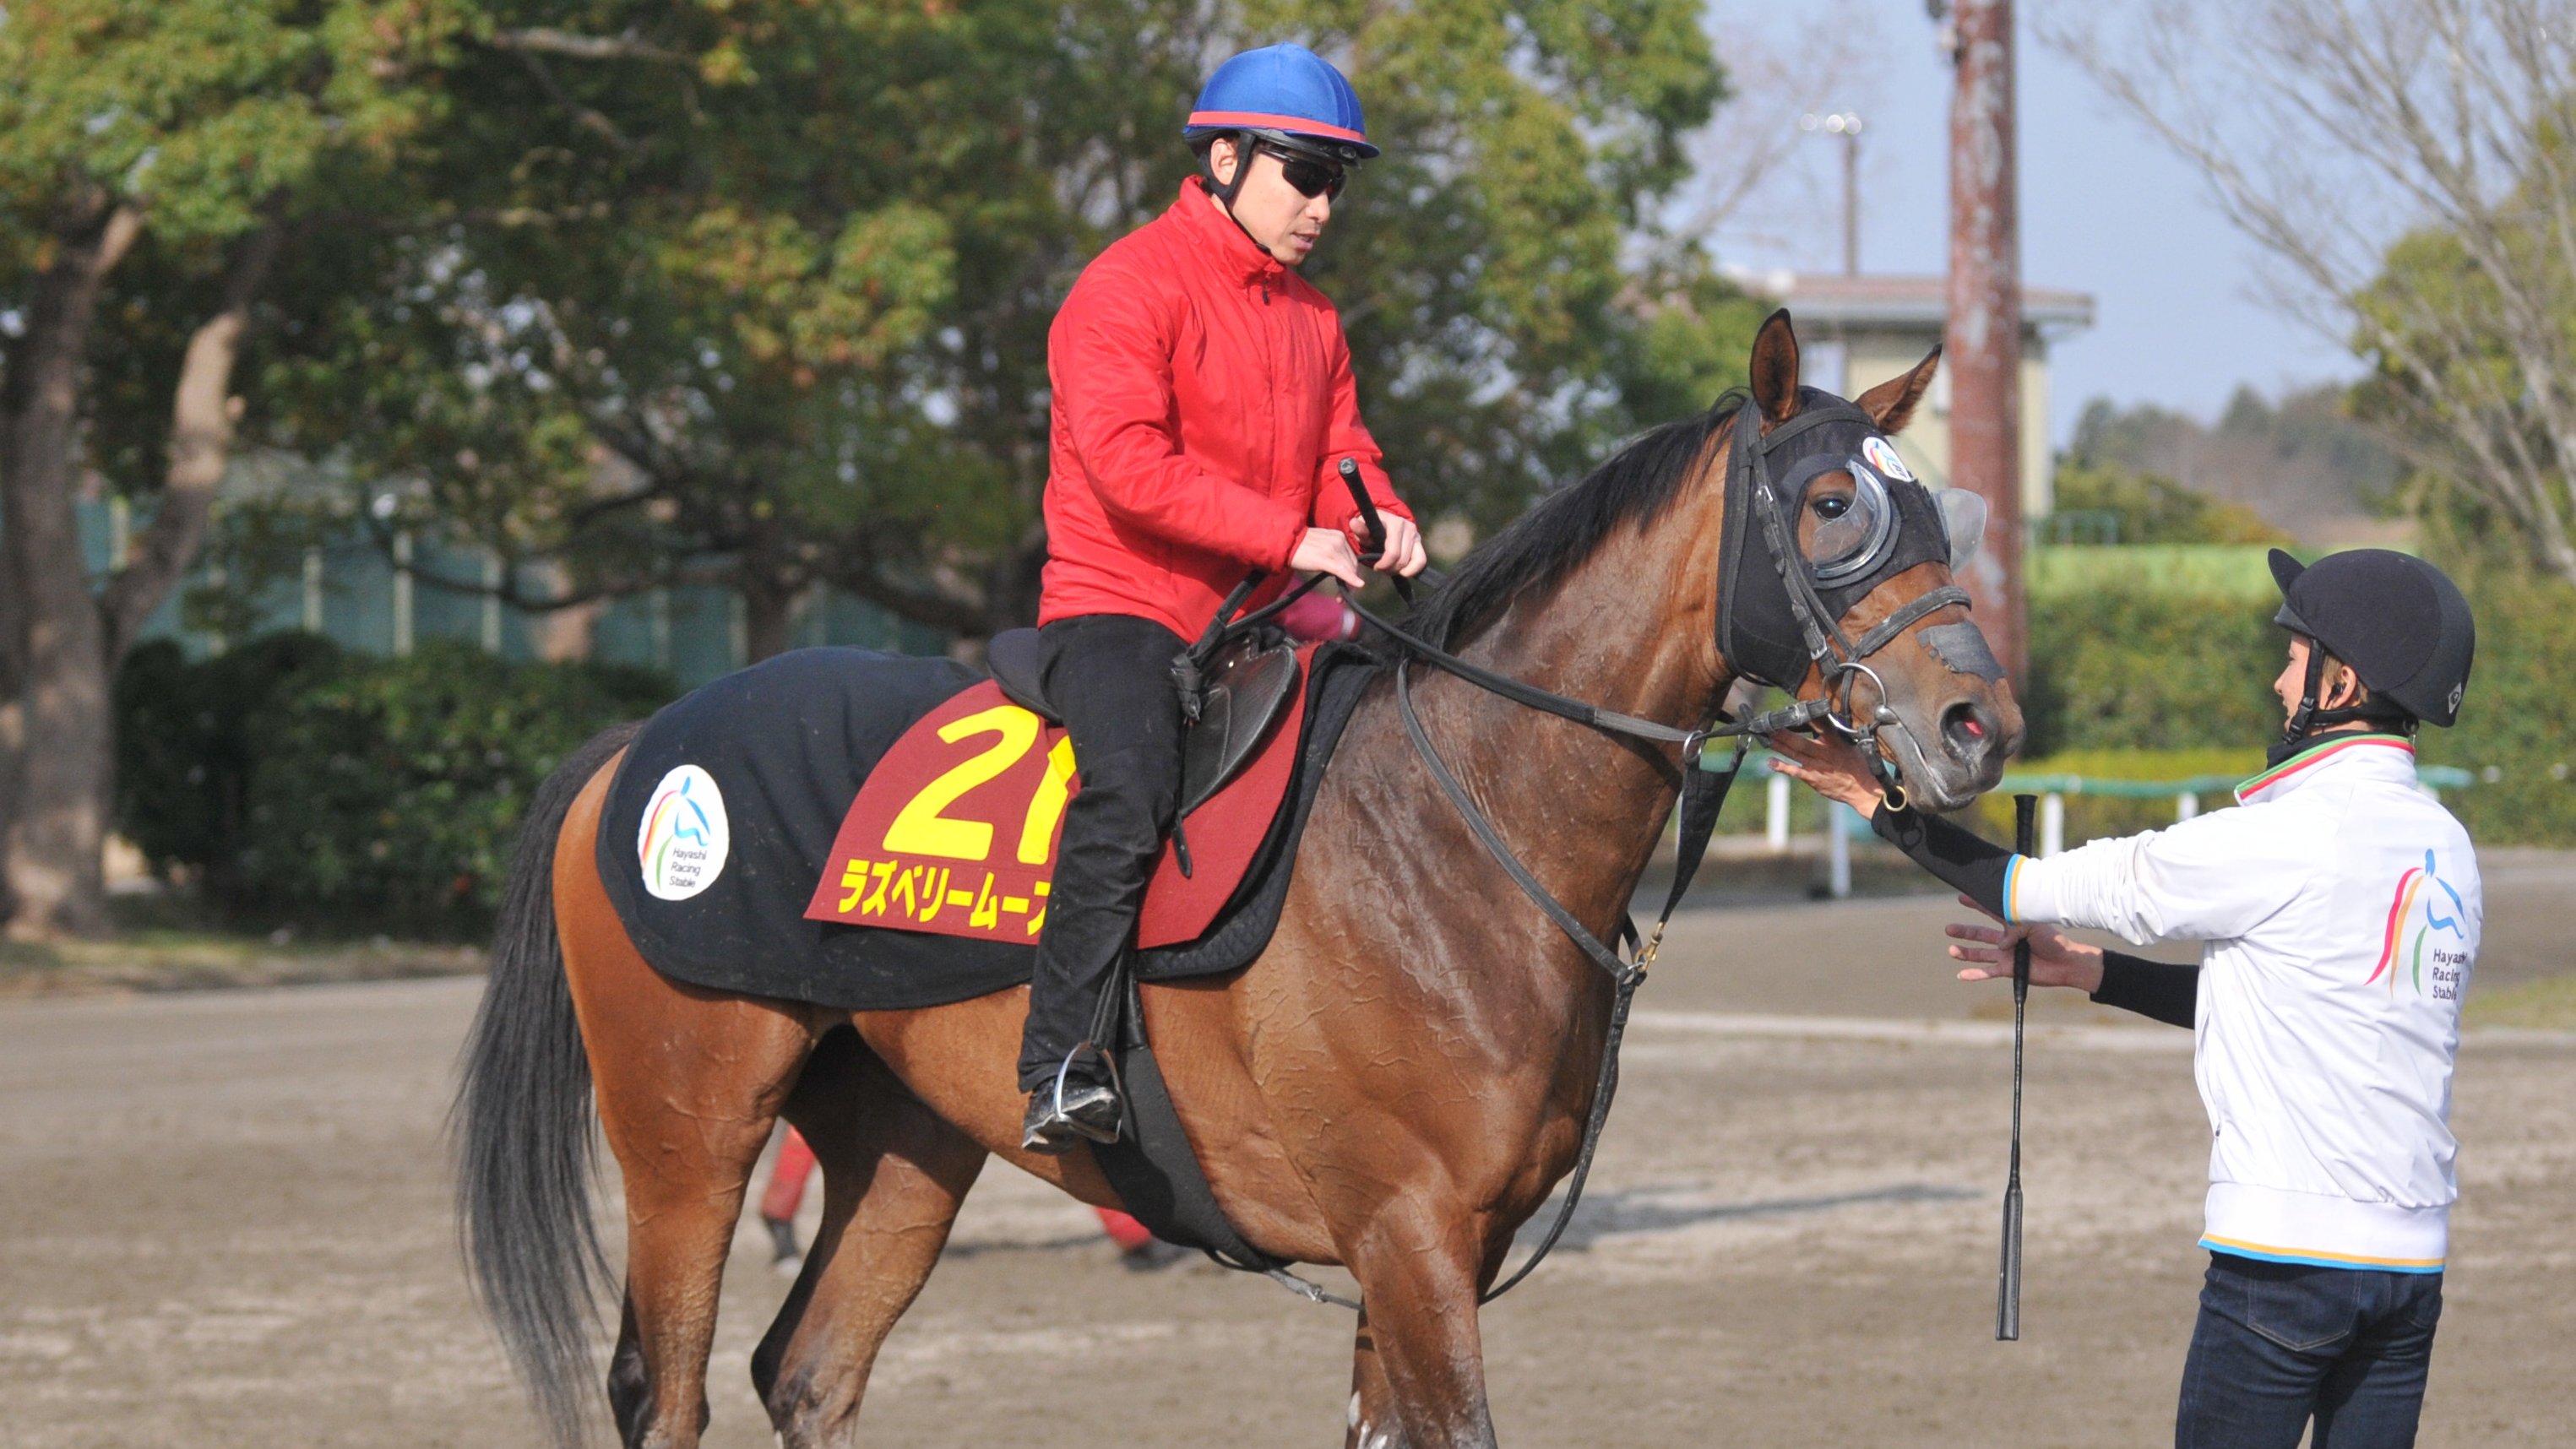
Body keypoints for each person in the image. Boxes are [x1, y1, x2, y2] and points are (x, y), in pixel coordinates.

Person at [1770, 547, 2480, 1449]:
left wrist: (1875, 801)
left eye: (2294, 657)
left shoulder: (2279, 835)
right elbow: (2293, 999)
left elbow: (2019, 889)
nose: (2276, 678)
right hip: (2409, 1269)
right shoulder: (2445, 850)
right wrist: (2094, 974)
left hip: (2282, 1263)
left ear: (2339, 685)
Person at [1019, 43, 1427, 1153]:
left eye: (1337, 181)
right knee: (1132, 788)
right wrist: (1289, 535)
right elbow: (1127, 468)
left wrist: (1375, 516)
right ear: (1228, 157)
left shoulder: (1315, 320)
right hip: (1120, 610)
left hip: (1246, 625)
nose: (1322, 205)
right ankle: (1063, 1063)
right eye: (1305, 173)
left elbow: (1344, 455)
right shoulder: (1124, 287)